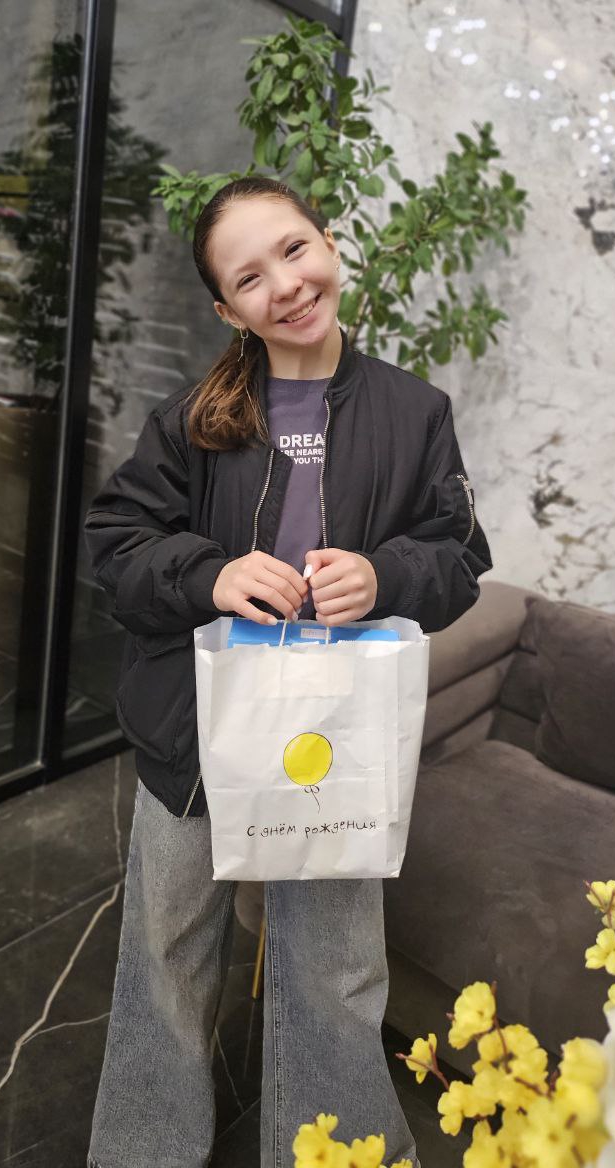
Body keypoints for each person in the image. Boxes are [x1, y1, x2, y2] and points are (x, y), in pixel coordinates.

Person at [83, 175, 493, 1168]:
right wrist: (211, 574)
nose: (286, 284)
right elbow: (115, 545)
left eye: (295, 249)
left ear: (331, 243)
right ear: (229, 310)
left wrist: (386, 574)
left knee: (337, 973)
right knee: (166, 959)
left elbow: (460, 556)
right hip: (194, 736)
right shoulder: (192, 417)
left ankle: (330, 1153)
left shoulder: (415, 411)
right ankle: (144, 1150)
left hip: (336, 742)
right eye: (250, 277)